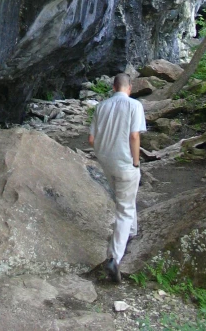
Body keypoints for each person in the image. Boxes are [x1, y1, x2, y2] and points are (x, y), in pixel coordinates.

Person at [88, 72, 146, 283]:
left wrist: (105, 153)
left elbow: (91, 139)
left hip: (107, 162)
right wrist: (136, 161)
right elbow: (134, 135)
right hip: (125, 163)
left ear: (113, 87)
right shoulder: (134, 106)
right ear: (129, 88)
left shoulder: (101, 107)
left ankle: (131, 232)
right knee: (124, 208)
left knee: (125, 199)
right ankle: (114, 257)